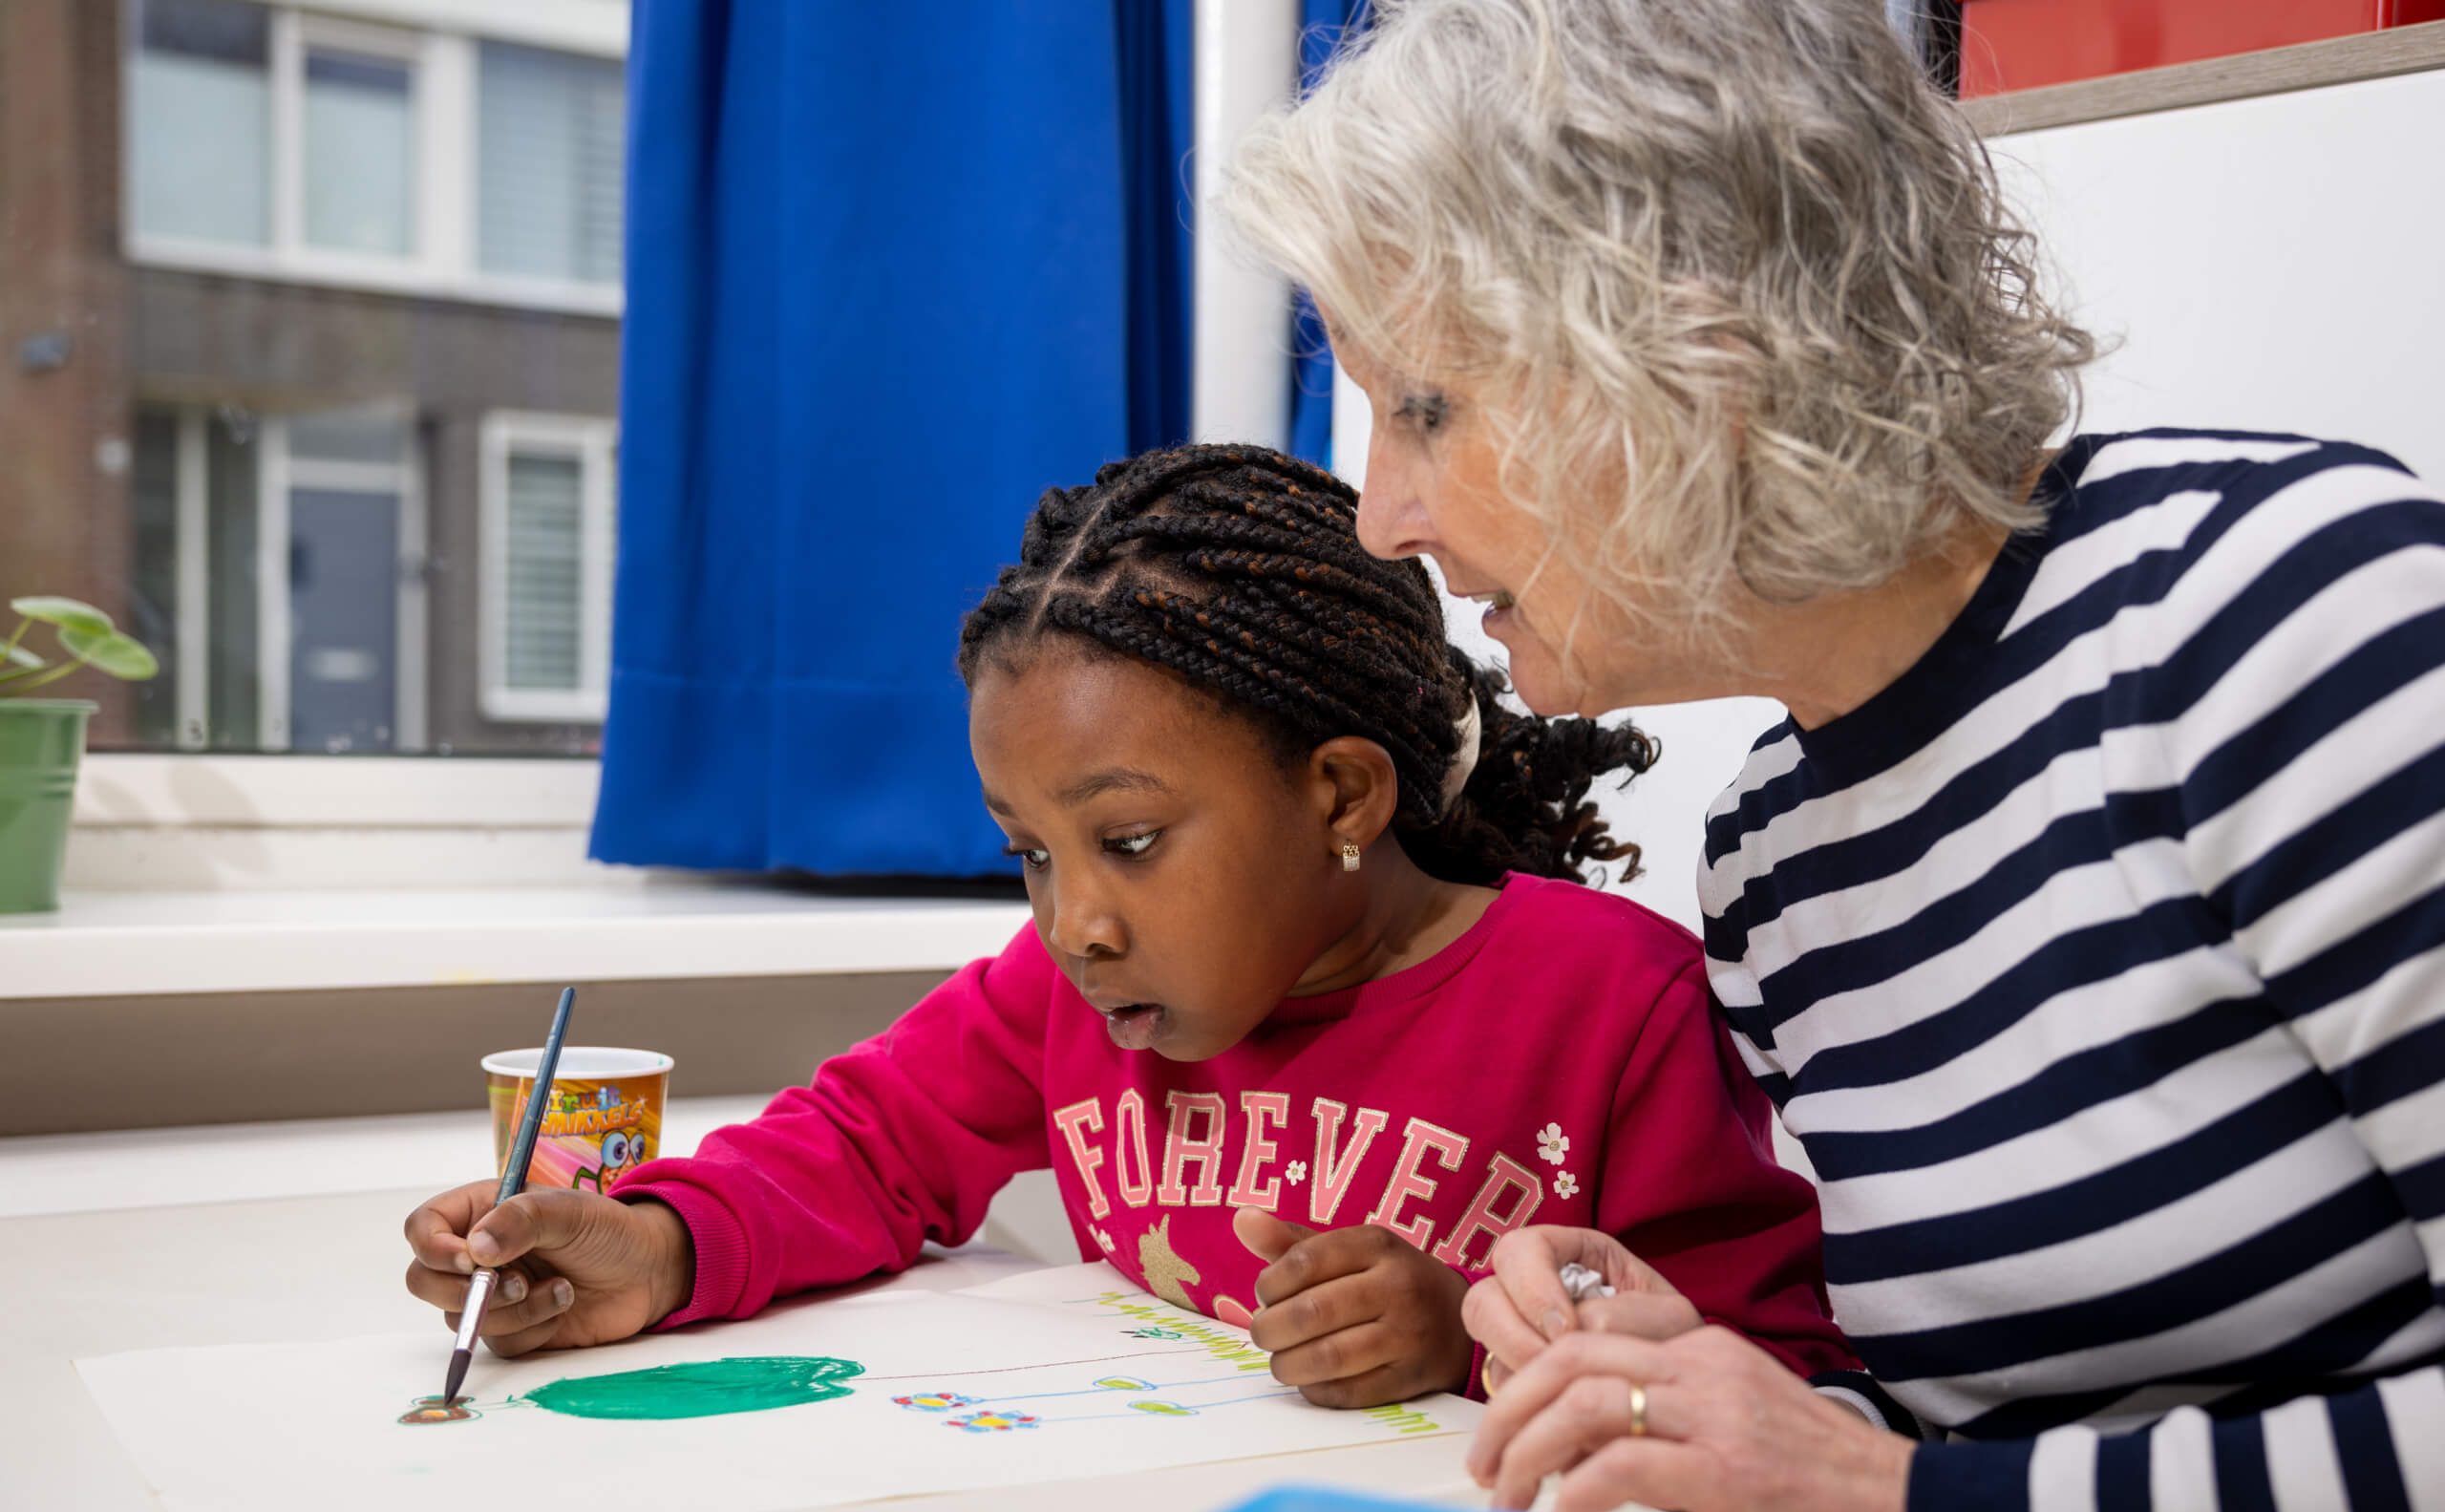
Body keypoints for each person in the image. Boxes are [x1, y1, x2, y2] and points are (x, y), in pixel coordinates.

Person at [1222, 0, 2445, 1512]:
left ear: (1690, 351)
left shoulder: (2291, 622)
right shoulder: (1772, 857)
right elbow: (1999, 1453)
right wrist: (1726, 1398)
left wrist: (1861, 1495)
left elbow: (1931, 1510)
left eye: (1426, 407)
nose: (1384, 516)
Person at [402, 442, 1854, 1411]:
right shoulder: (1060, 991)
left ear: (1341, 792)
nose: (1076, 919)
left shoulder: (1612, 997)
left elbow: (1772, 1376)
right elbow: (862, 1148)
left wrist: (1472, 1337)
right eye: (1031, 853)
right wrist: (655, 1243)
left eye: (1132, 841)